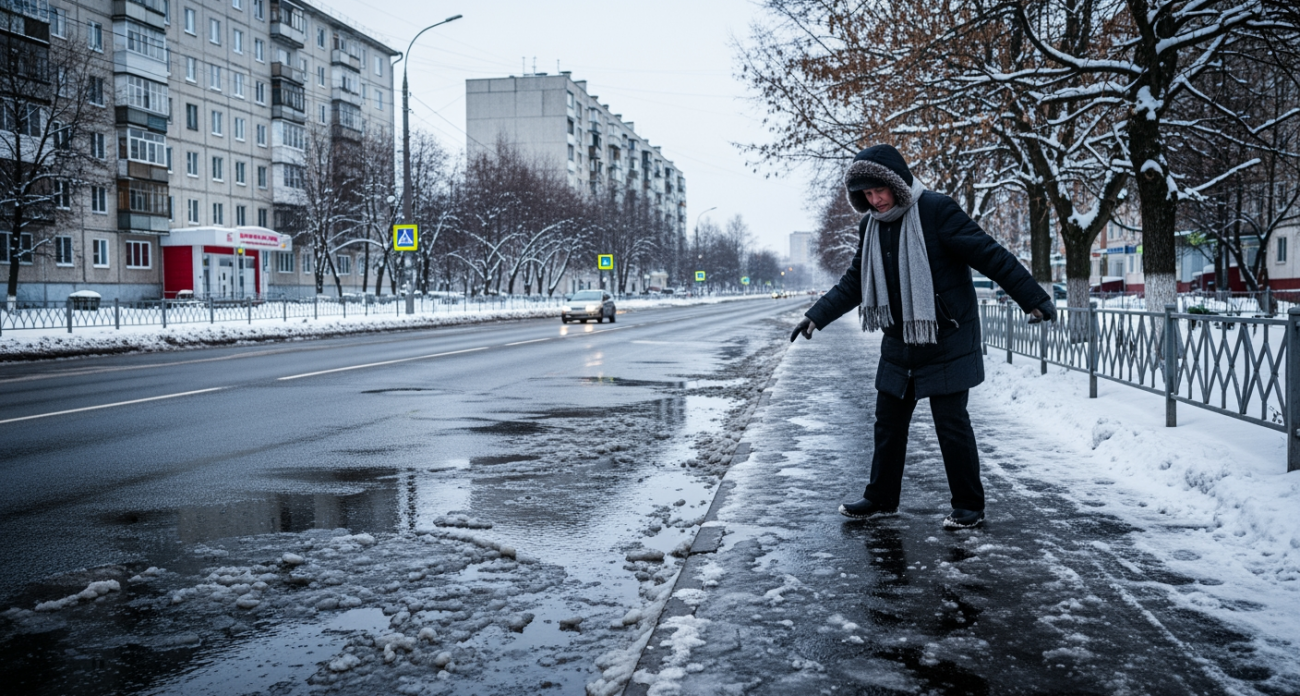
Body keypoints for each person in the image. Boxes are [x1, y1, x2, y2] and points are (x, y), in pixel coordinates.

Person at [791, 144, 1055, 529]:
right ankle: (881, 499)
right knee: (888, 424)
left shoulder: (936, 211)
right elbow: (854, 282)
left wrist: (1033, 299)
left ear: (896, 182)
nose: (874, 200)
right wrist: (816, 316)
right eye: (866, 194)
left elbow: (989, 254)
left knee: (951, 424)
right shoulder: (870, 226)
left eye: (879, 190)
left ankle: (969, 506)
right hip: (900, 342)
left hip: (946, 336)